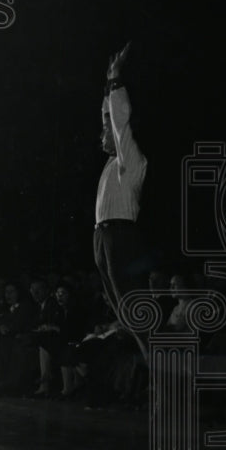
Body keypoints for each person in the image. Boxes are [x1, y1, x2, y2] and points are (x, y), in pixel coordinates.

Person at [94, 42, 149, 360]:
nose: (101, 134)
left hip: (120, 235)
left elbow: (118, 119)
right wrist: (106, 85)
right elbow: (108, 117)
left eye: (106, 130)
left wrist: (116, 79)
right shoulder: (111, 164)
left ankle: (160, 369)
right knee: (121, 309)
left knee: (131, 306)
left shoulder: (131, 159)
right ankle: (150, 367)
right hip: (103, 236)